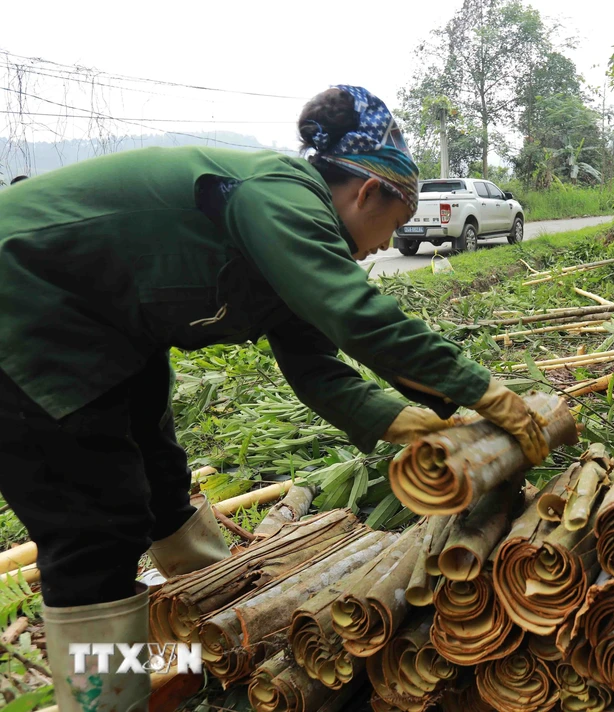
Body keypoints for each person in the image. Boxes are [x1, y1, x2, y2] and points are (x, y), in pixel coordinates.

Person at [0, 85, 548, 712]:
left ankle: (214, 633)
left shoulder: (298, 232)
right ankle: (103, 698)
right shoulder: (280, 196)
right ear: (368, 192)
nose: (377, 249)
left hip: (110, 328)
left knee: (158, 483)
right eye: (391, 228)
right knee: (97, 525)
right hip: (26, 305)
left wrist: (408, 421)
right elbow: (354, 313)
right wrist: (485, 392)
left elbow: (315, 366)